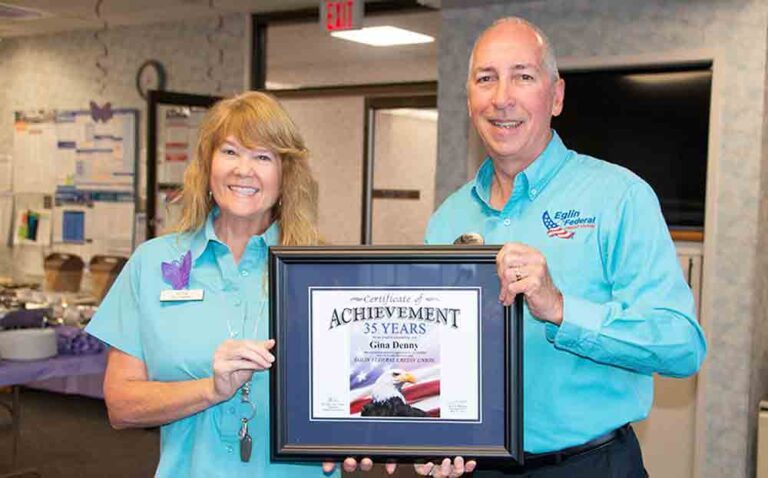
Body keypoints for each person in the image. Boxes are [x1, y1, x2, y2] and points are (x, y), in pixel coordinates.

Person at [423, 17, 707, 477]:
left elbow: (681, 346)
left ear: (555, 97)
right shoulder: (447, 220)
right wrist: (424, 435)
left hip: (591, 464)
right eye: (486, 79)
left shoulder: (620, 197)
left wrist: (560, 308)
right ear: (469, 98)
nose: (502, 98)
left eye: (523, 76)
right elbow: (432, 354)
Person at [86, 91, 358, 477]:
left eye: (262, 156)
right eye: (230, 151)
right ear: (207, 165)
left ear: (285, 174)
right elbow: (121, 405)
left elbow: (356, 393)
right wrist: (210, 390)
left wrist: (361, 435)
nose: (243, 170)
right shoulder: (152, 263)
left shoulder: (322, 271)